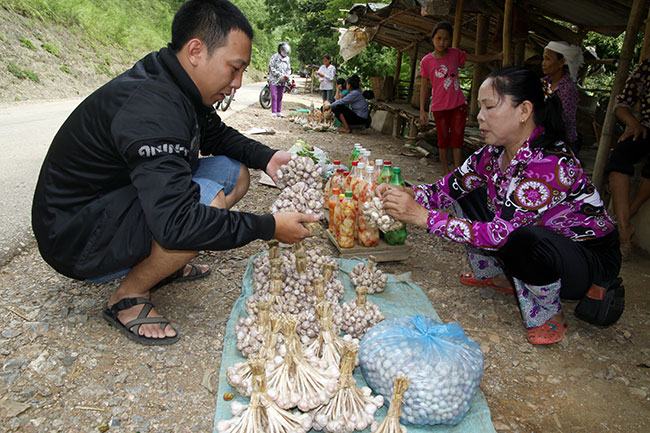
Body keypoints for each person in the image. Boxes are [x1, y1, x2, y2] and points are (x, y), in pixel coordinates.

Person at [31, 0, 318, 346]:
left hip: (117, 198)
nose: (239, 83)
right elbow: (179, 222)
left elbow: (215, 135)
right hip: (75, 235)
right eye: (234, 68)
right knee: (205, 205)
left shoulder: (177, 80)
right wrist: (268, 226)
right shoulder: (152, 105)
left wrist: (268, 157)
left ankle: (164, 262)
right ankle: (129, 295)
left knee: (235, 173)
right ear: (196, 50)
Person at [378, 67, 622, 345]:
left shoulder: (549, 163)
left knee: (524, 240)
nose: (479, 116)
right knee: (465, 194)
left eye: (490, 107)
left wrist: (422, 217)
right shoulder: (493, 153)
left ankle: (549, 314)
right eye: (480, 107)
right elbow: (443, 191)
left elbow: (500, 236)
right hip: (542, 239)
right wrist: (403, 192)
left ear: (524, 110)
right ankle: (499, 275)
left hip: (587, 258)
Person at [419, 21, 502, 176]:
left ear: (450, 40)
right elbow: (424, 86)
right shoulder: (426, 61)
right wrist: (422, 111)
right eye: (439, 38)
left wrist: (496, 56)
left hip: (458, 105)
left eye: (446, 39)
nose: (442, 42)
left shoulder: (455, 54)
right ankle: (445, 172)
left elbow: (475, 58)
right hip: (439, 107)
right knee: (442, 142)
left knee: (457, 141)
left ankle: (457, 173)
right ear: (433, 39)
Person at [606, 57, 650, 257]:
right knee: (620, 156)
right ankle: (624, 228)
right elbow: (622, 103)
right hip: (647, 130)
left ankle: (628, 214)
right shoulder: (648, 66)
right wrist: (632, 123)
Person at [542, 41, 584, 155]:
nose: (543, 63)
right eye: (543, 59)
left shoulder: (568, 89)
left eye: (548, 59)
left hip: (563, 142)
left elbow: (562, 120)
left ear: (561, 62)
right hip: (545, 136)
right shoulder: (544, 83)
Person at [268, 42, 292, 117]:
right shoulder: (275, 56)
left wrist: (287, 75)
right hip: (274, 79)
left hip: (283, 80)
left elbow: (288, 69)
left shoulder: (287, 59)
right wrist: (278, 74)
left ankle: (279, 111)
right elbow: (271, 67)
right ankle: (274, 111)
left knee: (280, 96)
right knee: (274, 95)